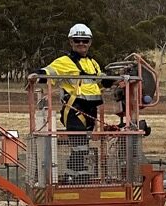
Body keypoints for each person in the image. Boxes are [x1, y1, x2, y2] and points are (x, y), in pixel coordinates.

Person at [39, 23, 114, 179]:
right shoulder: (64, 61)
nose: (81, 43)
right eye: (77, 40)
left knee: (82, 147)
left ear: (90, 42)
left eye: (84, 40)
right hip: (74, 110)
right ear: (71, 42)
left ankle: (75, 176)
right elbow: (49, 72)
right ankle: (77, 177)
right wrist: (37, 74)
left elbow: (99, 79)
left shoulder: (93, 63)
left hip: (91, 110)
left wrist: (111, 80)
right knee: (80, 145)